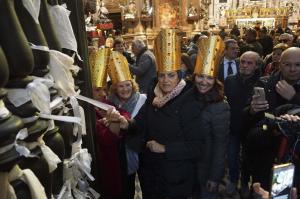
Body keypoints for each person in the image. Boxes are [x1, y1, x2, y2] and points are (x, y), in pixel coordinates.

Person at [104, 29, 206, 199]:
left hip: (176, 179)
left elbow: (197, 147)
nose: (166, 80)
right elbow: (141, 121)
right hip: (151, 176)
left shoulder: (190, 102)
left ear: (179, 75)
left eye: (171, 75)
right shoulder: (154, 95)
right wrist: (126, 123)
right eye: (162, 75)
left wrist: (165, 148)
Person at [244, 47, 300, 191]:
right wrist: (251, 111)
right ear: (279, 64)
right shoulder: (264, 84)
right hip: (265, 157)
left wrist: (295, 98)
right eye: (287, 64)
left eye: (298, 64)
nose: (292, 69)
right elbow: (248, 123)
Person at [95, 51, 146, 199]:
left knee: (130, 187)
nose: (125, 89)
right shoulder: (109, 102)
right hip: (116, 155)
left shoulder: (142, 100)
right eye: (120, 86)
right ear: (115, 88)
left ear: (133, 84)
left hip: (136, 152)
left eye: (127, 85)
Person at [193, 36, 230, 199]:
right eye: (200, 76)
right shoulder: (189, 96)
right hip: (189, 167)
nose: (203, 82)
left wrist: (215, 177)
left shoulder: (220, 106)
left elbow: (220, 146)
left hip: (207, 169)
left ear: (215, 80)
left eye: (209, 78)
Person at [224, 51, 262, 197]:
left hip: (251, 130)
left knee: (248, 159)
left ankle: (245, 183)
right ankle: (233, 180)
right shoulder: (230, 80)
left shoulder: (262, 82)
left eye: (249, 63)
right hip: (233, 127)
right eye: (243, 62)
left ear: (256, 65)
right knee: (232, 157)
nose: (245, 65)